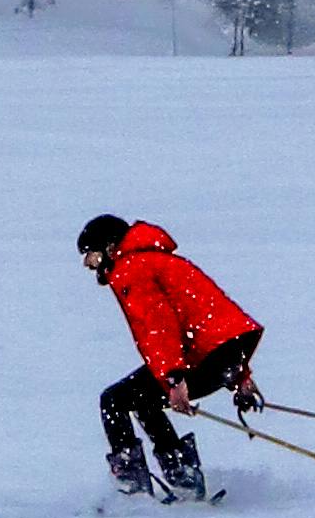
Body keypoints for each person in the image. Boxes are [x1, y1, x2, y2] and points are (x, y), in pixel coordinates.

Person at [77, 209, 262, 499]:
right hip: (225, 350)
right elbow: (208, 320)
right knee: (141, 397)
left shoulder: (131, 268)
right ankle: (182, 477)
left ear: (111, 248)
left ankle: (135, 489)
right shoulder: (154, 259)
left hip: (206, 355)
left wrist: (174, 379)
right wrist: (240, 375)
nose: (88, 263)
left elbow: (158, 327)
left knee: (113, 401)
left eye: (91, 254)